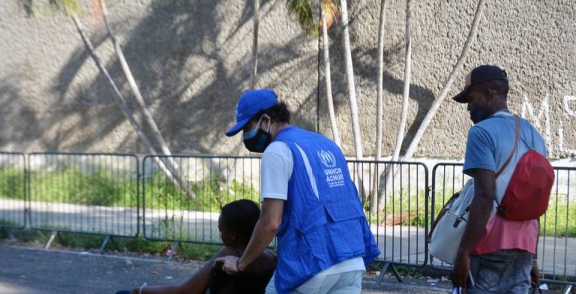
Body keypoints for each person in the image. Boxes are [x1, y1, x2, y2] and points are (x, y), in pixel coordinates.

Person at [217, 89, 380, 294]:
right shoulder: (326, 144)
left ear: (266, 120)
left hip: (311, 264)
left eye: (247, 128)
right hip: (351, 259)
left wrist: (241, 263)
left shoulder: (277, 150)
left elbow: (270, 222)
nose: (245, 137)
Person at [449, 65, 546, 293]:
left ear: (489, 92)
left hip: (488, 246)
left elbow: (485, 195)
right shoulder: (534, 134)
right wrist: (533, 257)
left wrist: (463, 253)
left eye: (471, 99)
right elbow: (536, 200)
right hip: (523, 248)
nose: (469, 107)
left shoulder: (481, 133)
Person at [116, 199, 276, 294]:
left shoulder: (231, 254)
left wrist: (142, 290)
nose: (221, 235)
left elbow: (184, 292)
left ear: (233, 235)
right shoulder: (270, 258)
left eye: (221, 230)